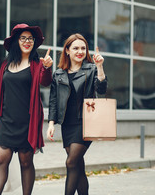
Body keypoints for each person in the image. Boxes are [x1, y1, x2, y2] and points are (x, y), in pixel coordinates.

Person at [0, 23, 53, 195]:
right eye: (23, 38)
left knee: (26, 162)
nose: (27, 41)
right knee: (1, 159)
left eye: (30, 39)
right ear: (16, 41)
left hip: (27, 121)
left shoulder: (36, 64)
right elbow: (0, 92)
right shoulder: (5, 65)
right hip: (6, 120)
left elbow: (45, 81)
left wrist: (47, 67)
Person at [47, 34, 107, 195]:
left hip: (86, 122)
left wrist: (100, 67)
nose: (80, 51)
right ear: (67, 51)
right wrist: (51, 124)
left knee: (71, 162)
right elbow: (53, 100)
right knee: (78, 166)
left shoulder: (92, 68)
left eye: (83, 48)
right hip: (67, 124)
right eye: (75, 48)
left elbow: (101, 89)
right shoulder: (58, 74)